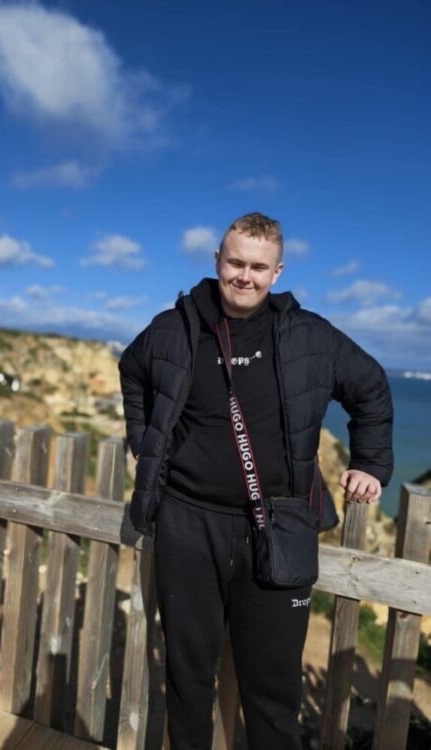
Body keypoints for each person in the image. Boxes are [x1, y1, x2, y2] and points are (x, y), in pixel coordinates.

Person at [119, 212, 393, 750]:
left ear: (277, 272)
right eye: (236, 263)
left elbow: (371, 388)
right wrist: (145, 442)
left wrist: (370, 462)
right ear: (217, 261)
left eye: (258, 267)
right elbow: (133, 371)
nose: (245, 276)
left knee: (273, 692)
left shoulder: (310, 335)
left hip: (277, 525)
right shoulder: (174, 327)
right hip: (187, 522)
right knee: (187, 677)